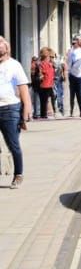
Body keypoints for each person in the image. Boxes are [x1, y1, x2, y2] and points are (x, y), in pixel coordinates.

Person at [0, 36, 31, 188]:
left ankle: (18, 174)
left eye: (0, 42)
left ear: (7, 47)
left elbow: (24, 89)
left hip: (10, 109)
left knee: (13, 144)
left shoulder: (14, 65)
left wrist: (25, 114)